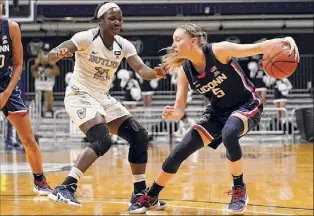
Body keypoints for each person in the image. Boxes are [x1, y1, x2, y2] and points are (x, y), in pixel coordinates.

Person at [128, 23, 299, 214]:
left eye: (177, 40)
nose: (173, 45)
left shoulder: (219, 50)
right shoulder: (185, 71)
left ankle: (239, 190)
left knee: (229, 133)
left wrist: (286, 41)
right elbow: (179, 109)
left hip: (246, 104)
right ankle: (152, 196)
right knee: (179, 152)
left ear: (193, 41)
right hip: (217, 112)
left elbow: (257, 47)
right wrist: (173, 113)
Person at [45, 2, 167, 209]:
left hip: (102, 97)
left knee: (139, 135)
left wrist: (157, 72)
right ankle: (65, 187)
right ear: (100, 21)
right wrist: (57, 54)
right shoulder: (86, 37)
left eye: (120, 18)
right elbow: (53, 54)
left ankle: (139, 194)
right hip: (79, 95)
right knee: (102, 139)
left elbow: (141, 69)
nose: (117, 22)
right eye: (112, 18)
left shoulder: (124, 45)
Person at [0, 0, 51, 195]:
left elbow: (19, 65)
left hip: (7, 86)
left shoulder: (11, 27)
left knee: (28, 139)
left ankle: (40, 180)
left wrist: (5, 93)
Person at [31, 43, 60, 117]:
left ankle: (49, 111)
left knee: (49, 99)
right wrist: (37, 63)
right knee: (38, 99)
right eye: (44, 52)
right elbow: (33, 71)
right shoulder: (37, 61)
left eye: (47, 52)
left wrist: (51, 64)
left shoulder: (53, 61)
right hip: (39, 84)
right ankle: (39, 112)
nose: (45, 54)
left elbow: (57, 72)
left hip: (48, 84)